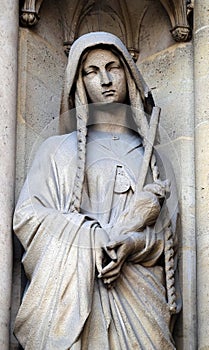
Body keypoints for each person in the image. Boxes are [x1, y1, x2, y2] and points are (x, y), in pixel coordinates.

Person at [14, 32, 181, 349]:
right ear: (79, 81)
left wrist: (130, 245)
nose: (105, 80)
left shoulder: (150, 160)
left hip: (139, 298)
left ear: (127, 74)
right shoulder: (57, 150)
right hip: (77, 292)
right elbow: (28, 218)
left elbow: (165, 243)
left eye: (113, 67)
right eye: (92, 71)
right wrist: (95, 238)